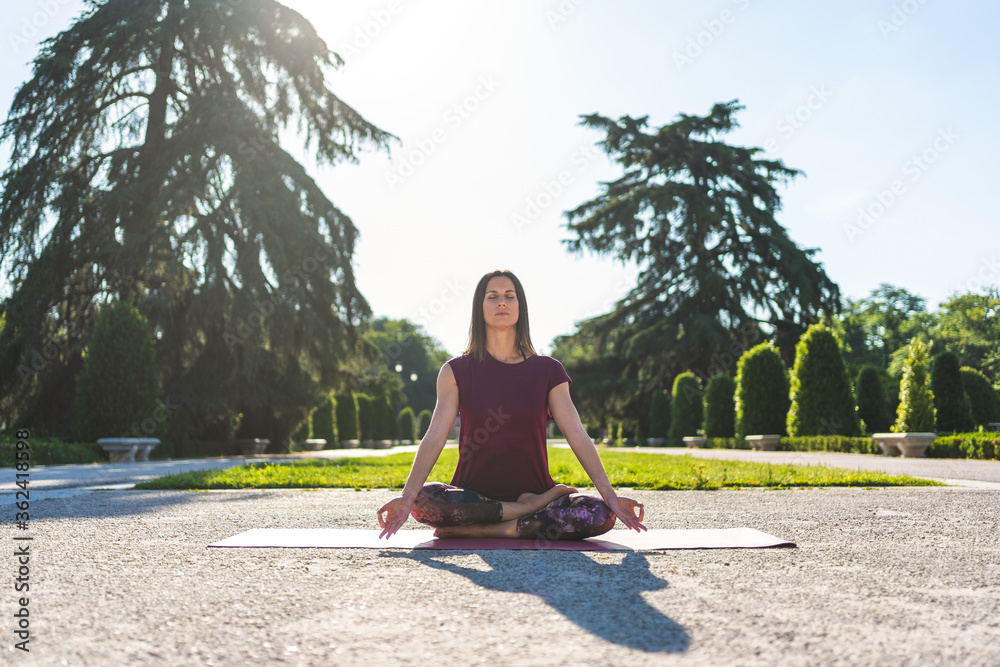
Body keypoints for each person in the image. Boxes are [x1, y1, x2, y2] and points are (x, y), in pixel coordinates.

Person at [377, 269, 646, 541]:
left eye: (509, 296)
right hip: (473, 501)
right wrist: (406, 496)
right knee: (423, 502)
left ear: (521, 307)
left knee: (597, 514)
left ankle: (490, 528)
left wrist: (610, 496)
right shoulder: (455, 371)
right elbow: (435, 434)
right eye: (492, 296)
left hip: (538, 493)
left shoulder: (549, 370)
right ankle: (523, 512)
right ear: (479, 309)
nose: (502, 302)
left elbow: (576, 432)